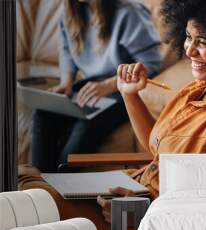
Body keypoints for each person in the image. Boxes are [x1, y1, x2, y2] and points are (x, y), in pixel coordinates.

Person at [19, 0, 206, 230]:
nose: (189, 50)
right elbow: (159, 150)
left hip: (143, 221)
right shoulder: (197, 91)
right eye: (188, 37)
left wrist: (141, 213)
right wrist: (129, 94)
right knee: (28, 186)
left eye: (203, 42)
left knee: (29, 205)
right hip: (130, 193)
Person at [31, 0, 162, 172]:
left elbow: (151, 64)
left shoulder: (129, 12)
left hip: (123, 89)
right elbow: (66, 50)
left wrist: (109, 84)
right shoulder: (69, 10)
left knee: (86, 123)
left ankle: (62, 183)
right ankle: (40, 185)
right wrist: (66, 82)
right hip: (93, 84)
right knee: (44, 112)